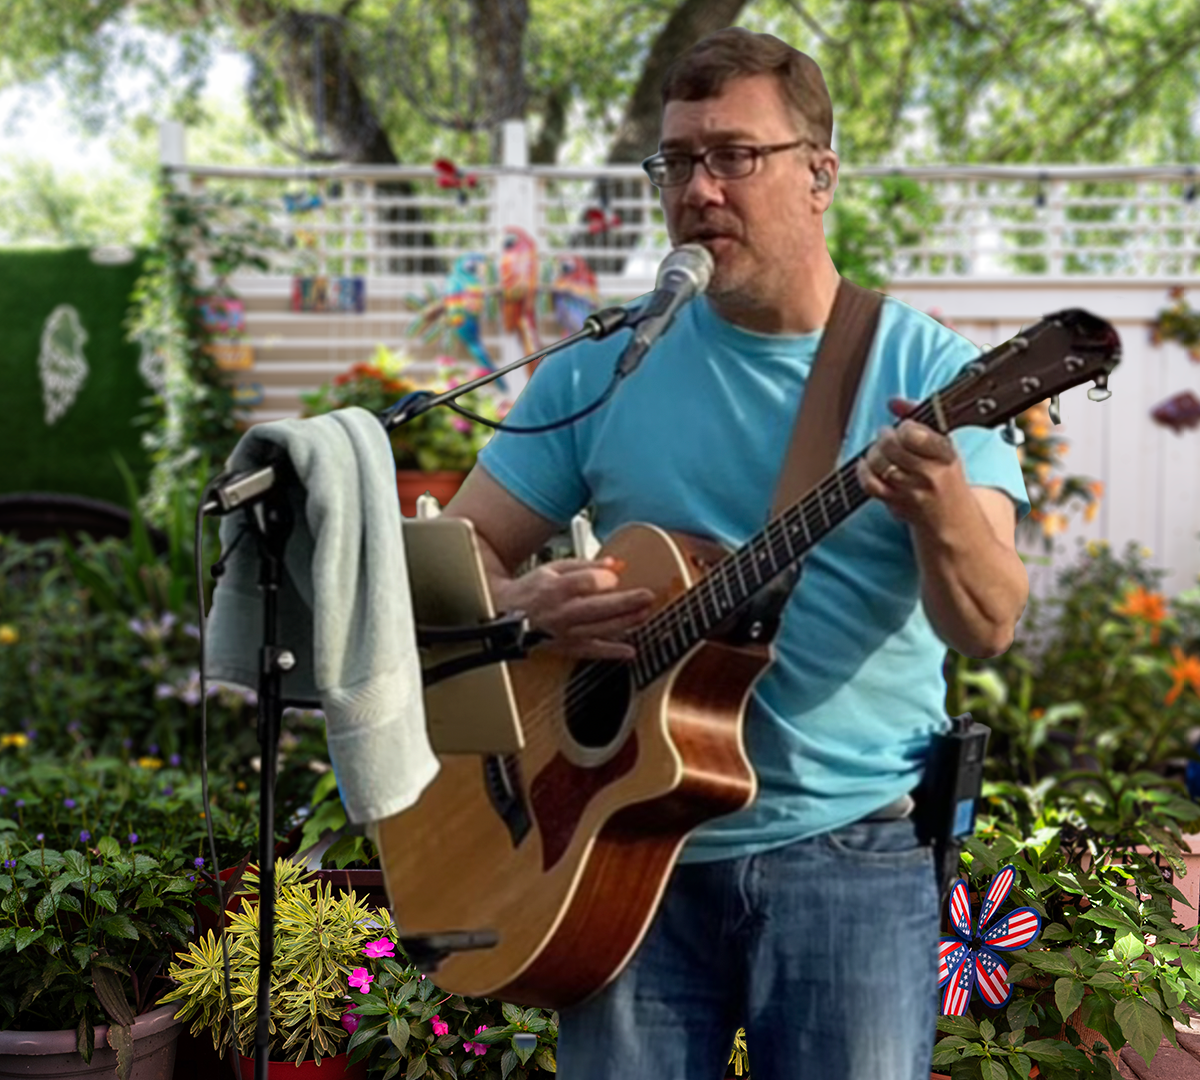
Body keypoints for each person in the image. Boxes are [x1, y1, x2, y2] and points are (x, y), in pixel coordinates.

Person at [441, 26, 1030, 1080]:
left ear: (819, 175)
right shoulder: (604, 365)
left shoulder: (928, 370)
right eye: (676, 161)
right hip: (616, 856)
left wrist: (941, 507)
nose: (698, 188)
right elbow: (466, 545)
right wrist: (526, 608)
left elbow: (988, 622)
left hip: (850, 852)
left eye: (732, 156)